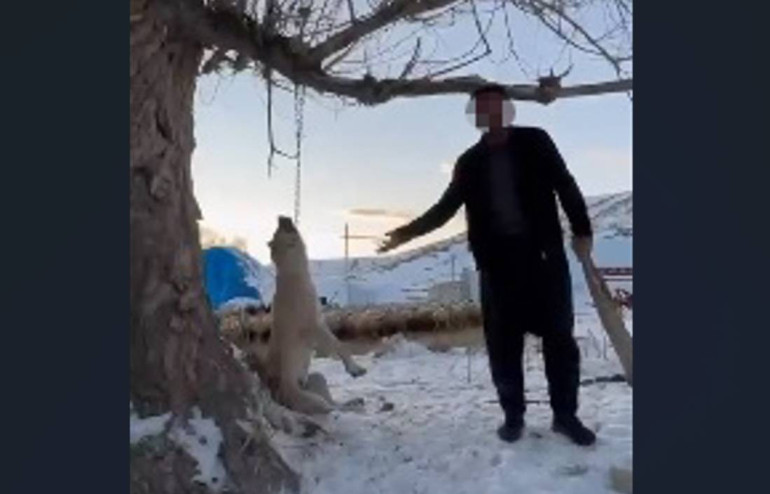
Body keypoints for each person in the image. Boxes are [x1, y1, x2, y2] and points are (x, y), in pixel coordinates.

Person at [378, 84, 596, 446]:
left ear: (508, 111)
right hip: (497, 266)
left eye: (496, 107)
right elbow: (443, 209)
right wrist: (405, 233)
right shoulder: (469, 163)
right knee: (503, 345)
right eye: (483, 109)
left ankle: (565, 416)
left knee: (559, 340)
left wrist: (582, 229)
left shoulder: (536, 141)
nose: (490, 115)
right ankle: (513, 417)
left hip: (544, 260)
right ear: (475, 117)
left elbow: (565, 184)